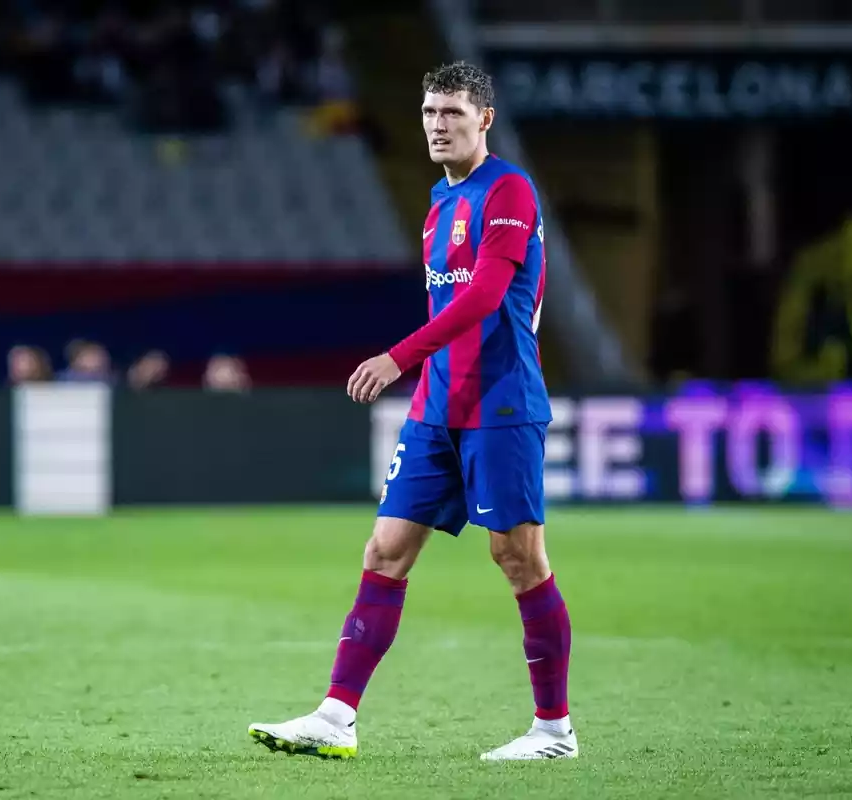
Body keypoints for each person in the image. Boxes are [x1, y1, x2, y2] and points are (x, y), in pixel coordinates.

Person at [248, 61, 573, 762]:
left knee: (518, 558)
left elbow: (486, 296)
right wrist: (421, 376)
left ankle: (554, 730)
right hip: (436, 412)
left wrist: (397, 357)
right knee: (385, 552)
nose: (437, 125)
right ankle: (336, 716)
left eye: (452, 112)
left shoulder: (509, 190)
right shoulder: (436, 201)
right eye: (429, 113)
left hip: (502, 404)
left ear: (484, 118)